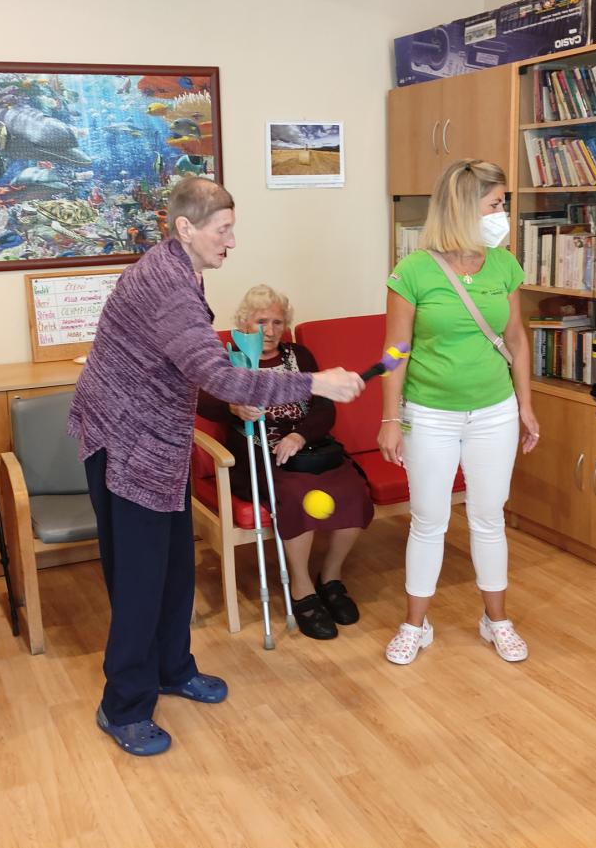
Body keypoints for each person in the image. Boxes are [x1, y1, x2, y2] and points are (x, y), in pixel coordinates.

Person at [68, 177, 364, 756]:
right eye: (223, 230)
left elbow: (193, 369)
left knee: (175, 568)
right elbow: (220, 375)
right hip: (126, 447)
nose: (232, 241)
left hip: (160, 445)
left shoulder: (180, 269)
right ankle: (123, 706)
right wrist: (314, 382)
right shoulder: (168, 287)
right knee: (139, 583)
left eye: (232, 228)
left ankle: (172, 668)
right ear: (185, 228)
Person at [376, 159, 540, 666]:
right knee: (429, 520)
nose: (503, 213)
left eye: (502, 203)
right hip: (429, 414)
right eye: (495, 204)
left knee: (489, 518)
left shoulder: (504, 265)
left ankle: (497, 621)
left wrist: (525, 405)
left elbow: (516, 339)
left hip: (494, 411)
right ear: (464, 207)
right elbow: (395, 352)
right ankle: (415, 625)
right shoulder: (413, 272)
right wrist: (389, 418)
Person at [198, 284, 375, 640]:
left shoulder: (300, 356)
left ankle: (331, 577)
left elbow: (324, 407)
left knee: (355, 492)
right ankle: (302, 587)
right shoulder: (231, 360)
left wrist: (299, 436)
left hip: (308, 450)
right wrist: (233, 407)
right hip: (258, 455)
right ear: (244, 324)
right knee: (296, 498)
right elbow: (202, 401)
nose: (270, 330)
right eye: (261, 321)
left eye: (278, 322)